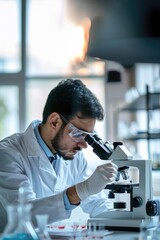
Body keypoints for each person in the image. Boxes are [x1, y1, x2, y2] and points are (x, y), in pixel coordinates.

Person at [0, 78, 118, 233]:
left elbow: (96, 201)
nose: (84, 145)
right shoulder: (8, 154)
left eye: (88, 137)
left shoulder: (76, 157)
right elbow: (23, 216)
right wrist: (78, 192)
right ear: (54, 122)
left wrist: (121, 221)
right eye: (78, 134)